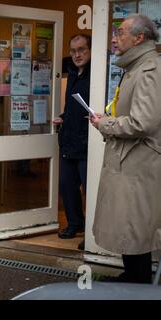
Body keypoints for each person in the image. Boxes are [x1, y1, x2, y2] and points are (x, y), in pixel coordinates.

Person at [89, 14, 161, 284]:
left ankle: (137, 284)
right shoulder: (138, 66)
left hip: (138, 165)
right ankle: (132, 277)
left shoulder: (149, 69)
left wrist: (105, 124)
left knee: (134, 228)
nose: (114, 38)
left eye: (120, 32)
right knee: (130, 227)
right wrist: (106, 119)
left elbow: (143, 122)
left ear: (139, 37)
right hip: (131, 162)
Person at [53, 34, 92, 241]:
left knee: (89, 189)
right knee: (67, 186)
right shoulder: (72, 73)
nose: (77, 54)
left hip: (88, 142)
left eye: (82, 50)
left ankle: (92, 235)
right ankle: (75, 224)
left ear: (91, 50)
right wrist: (63, 117)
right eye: (73, 50)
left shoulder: (98, 75)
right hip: (69, 140)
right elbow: (72, 107)